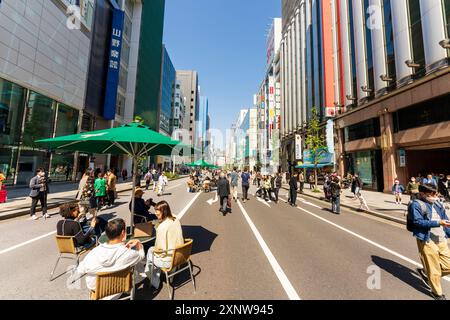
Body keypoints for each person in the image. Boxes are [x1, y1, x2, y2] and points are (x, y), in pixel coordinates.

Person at [73, 218, 145, 297]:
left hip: (97, 290)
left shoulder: (94, 252)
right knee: (137, 266)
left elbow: (80, 270)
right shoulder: (127, 253)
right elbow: (141, 256)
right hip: (119, 287)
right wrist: (138, 244)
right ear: (123, 233)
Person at [408, 183, 450, 300]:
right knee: (434, 269)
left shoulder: (437, 203)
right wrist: (438, 223)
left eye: (435, 194)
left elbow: (445, 220)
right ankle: (437, 293)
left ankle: (427, 273)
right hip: (426, 240)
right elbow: (418, 222)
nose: (435, 196)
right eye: (431, 194)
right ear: (422, 194)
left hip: (441, 239)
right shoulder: (416, 204)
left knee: (448, 266)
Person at [144, 201, 184, 289]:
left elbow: (160, 250)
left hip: (169, 260)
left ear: (164, 212)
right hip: (180, 255)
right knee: (151, 250)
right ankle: (170, 274)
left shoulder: (162, 228)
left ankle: (154, 281)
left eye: (157, 212)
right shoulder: (175, 218)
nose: (155, 213)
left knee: (150, 252)